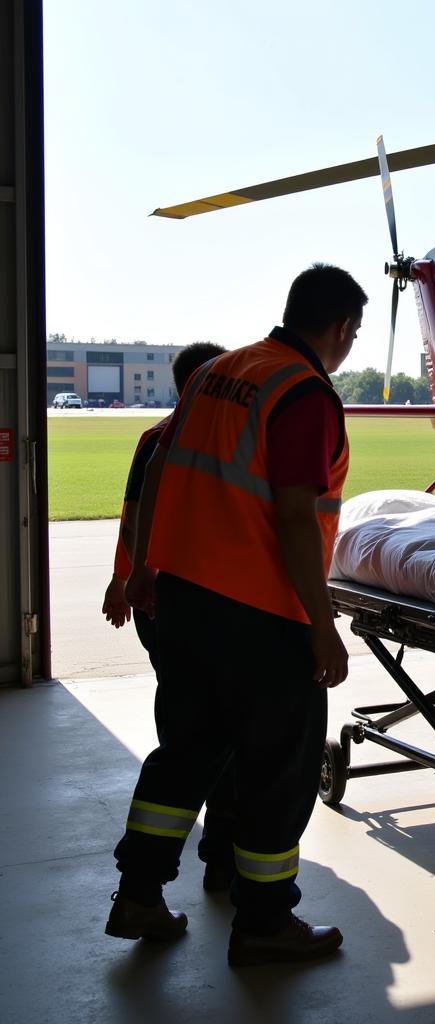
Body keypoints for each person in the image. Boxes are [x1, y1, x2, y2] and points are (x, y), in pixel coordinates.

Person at [105, 263, 367, 966]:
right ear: (343, 327)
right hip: (260, 612)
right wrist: (321, 623)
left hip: (185, 599)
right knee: (280, 768)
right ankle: (264, 921)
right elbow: (291, 514)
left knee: (186, 751)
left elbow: (160, 467)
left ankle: (138, 893)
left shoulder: (217, 373)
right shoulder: (304, 393)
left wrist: (143, 567)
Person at [101, 341, 236, 890]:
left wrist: (126, 578)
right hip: (205, 611)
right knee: (218, 737)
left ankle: (150, 877)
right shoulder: (213, 441)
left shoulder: (155, 437)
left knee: (186, 734)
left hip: (162, 605)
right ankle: (218, 856)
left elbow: (133, 518)